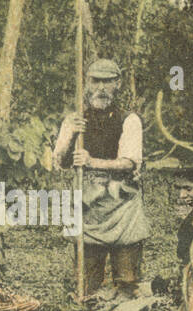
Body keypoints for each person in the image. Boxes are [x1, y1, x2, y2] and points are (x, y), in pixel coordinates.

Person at [52, 59, 151, 298]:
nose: (101, 88)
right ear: (86, 83)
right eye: (96, 81)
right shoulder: (74, 119)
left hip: (122, 207)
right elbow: (61, 162)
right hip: (89, 207)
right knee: (86, 282)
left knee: (126, 281)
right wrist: (70, 136)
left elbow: (128, 163)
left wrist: (91, 162)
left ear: (118, 84)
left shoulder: (130, 120)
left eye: (108, 81)